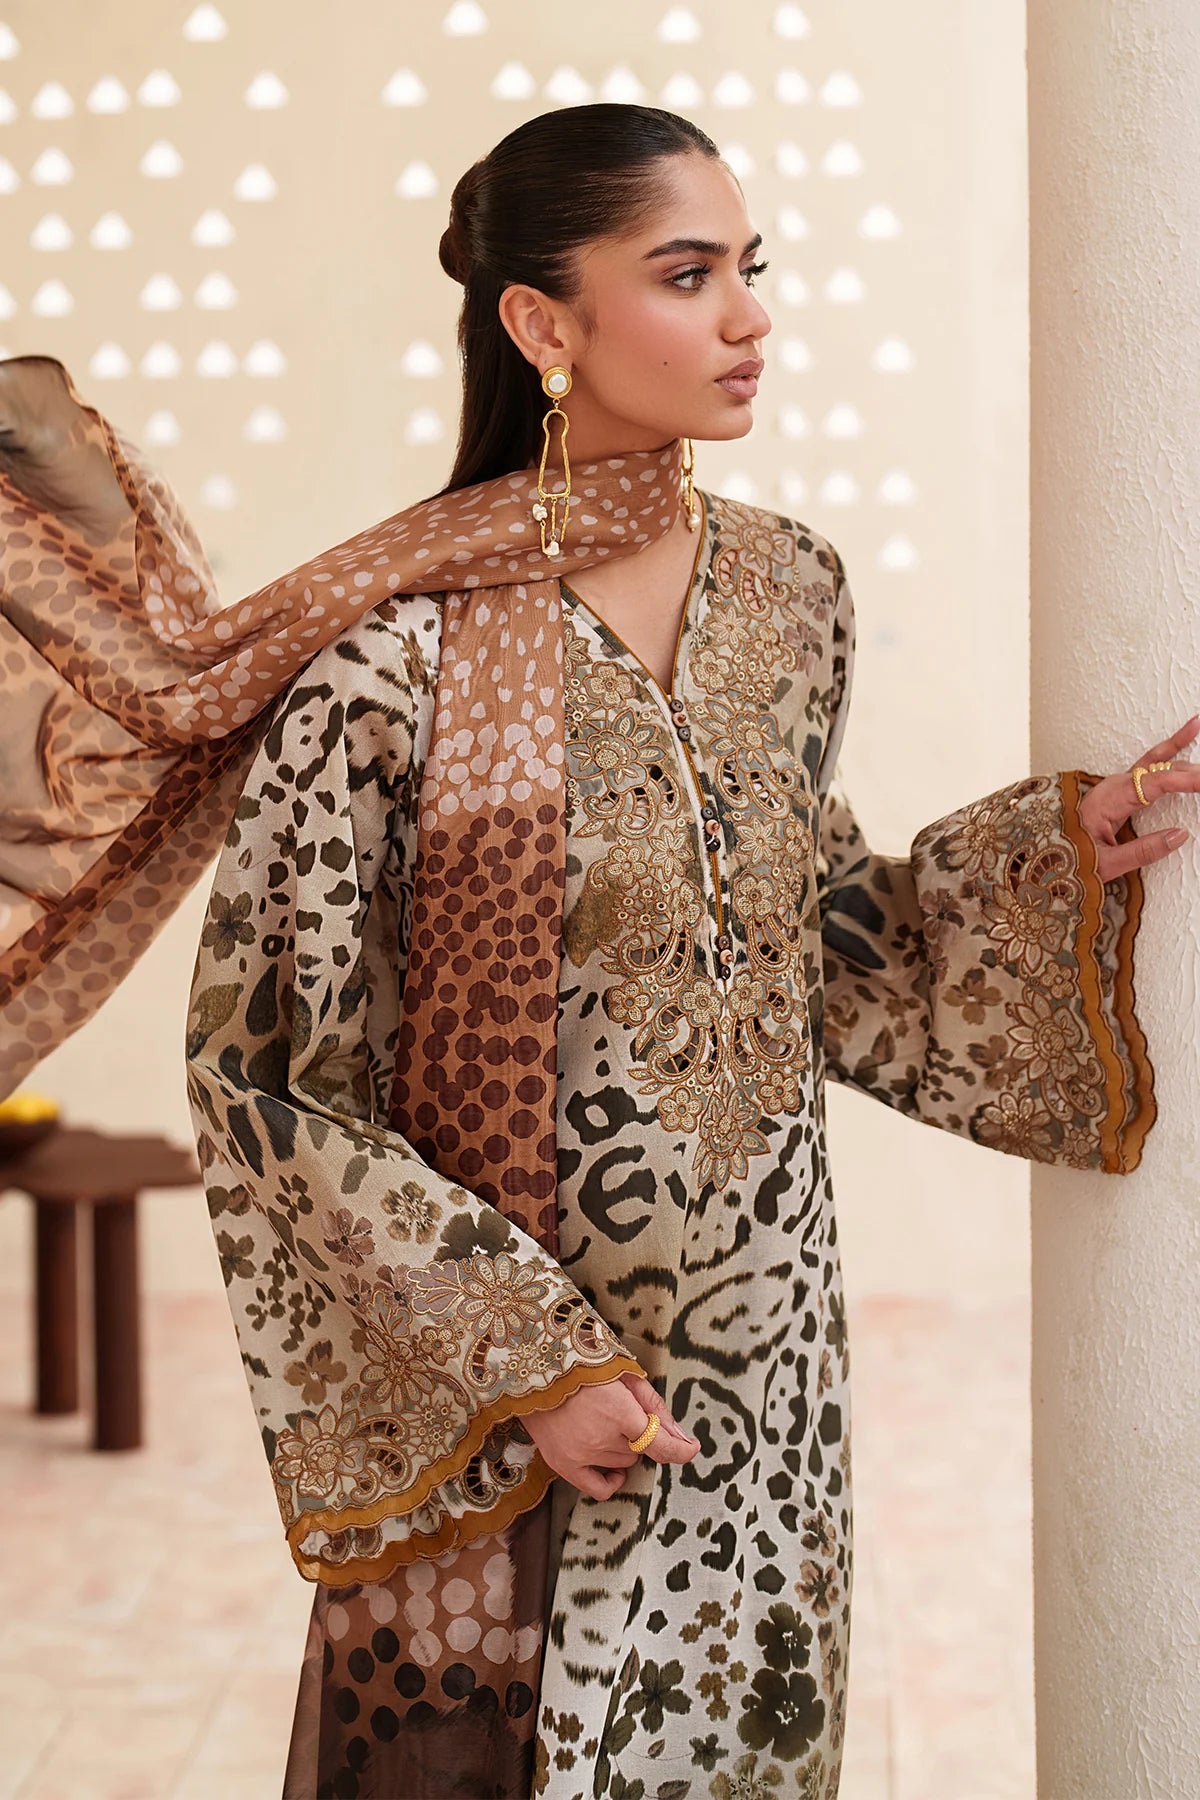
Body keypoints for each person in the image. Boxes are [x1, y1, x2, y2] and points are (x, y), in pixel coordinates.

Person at [0, 101, 1191, 1800]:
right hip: (523, 1405)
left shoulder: (789, 593)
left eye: (750, 269)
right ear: (541, 323)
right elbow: (268, 1083)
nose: (750, 317)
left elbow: (799, 930)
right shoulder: (392, 666)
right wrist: (527, 1365)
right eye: (688, 275)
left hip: (768, 1369)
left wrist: (1046, 860)